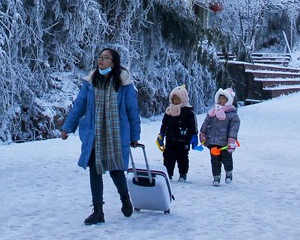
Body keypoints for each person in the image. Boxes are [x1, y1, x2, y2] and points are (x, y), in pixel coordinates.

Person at [61, 48, 141, 225]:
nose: (101, 61)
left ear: (113, 62)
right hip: (94, 133)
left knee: (116, 170)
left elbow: (132, 111)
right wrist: (68, 127)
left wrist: (135, 135)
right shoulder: (90, 82)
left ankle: (125, 199)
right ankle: (98, 210)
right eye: (100, 57)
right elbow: (79, 105)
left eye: (106, 58)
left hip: (115, 134)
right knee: (94, 170)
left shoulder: (124, 83)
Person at [198, 87, 240, 186]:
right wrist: (203, 134)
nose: (221, 100)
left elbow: (234, 129)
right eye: (219, 98)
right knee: (215, 160)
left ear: (228, 100)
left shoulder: (232, 115)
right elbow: (206, 123)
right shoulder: (212, 112)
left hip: (225, 143)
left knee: (226, 159)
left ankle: (228, 173)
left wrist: (232, 140)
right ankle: (216, 177)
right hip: (212, 141)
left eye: (223, 99)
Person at [157, 85, 198, 181]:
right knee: (168, 157)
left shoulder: (188, 112)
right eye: (174, 98)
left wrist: (194, 135)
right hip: (170, 139)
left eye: (178, 98)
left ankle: (183, 174)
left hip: (183, 140)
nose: (175, 100)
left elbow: (193, 125)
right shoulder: (169, 111)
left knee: (182, 158)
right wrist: (161, 134)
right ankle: (168, 174)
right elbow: (164, 124)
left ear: (183, 99)